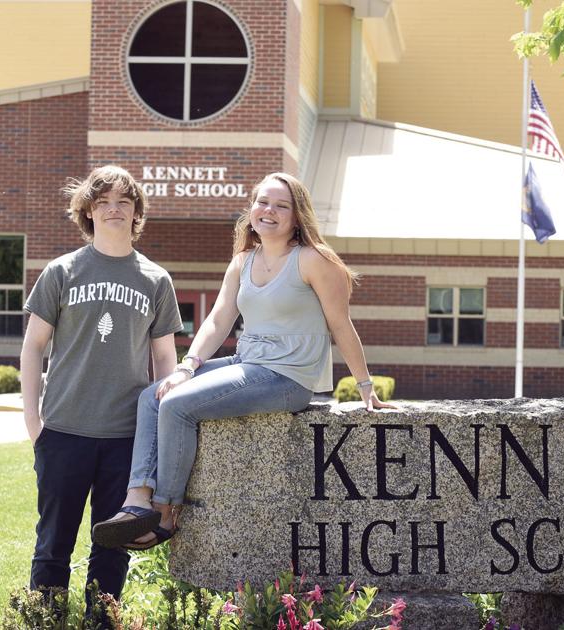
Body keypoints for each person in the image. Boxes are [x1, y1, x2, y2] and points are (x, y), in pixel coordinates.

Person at [91, 171, 394, 551]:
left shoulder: (313, 260)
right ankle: (137, 501)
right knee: (154, 396)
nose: (270, 211)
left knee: (177, 405)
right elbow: (218, 320)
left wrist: (365, 387)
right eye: (263, 202)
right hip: (248, 362)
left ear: (297, 216)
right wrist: (187, 367)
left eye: (281, 206)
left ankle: (164, 513)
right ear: (252, 209)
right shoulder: (243, 262)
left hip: (288, 378)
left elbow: (341, 324)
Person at [20, 165, 182, 614]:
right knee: (53, 542)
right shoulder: (61, 271)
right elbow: (33, 347)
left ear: (136, 213)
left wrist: (160, 430)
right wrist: (33, 421)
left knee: (113, 545)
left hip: (126, 436)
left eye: (123, 202)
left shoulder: (155, 279)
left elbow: (165, 361)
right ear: (88, 211)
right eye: (104, 202)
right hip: (63, 430)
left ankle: (101, 621)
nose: (114, 209)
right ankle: (45, 620)